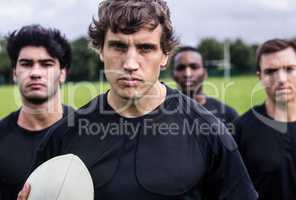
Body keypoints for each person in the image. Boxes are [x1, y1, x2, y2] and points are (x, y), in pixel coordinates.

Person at [18, 0, 257, 199]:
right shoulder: (63, 138)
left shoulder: (208, 132)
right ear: (101, 50)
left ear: (165, 55)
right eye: (118, 47)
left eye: (145, 48)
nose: (130, 64)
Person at [0, 24, 73, 200]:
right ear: (15, 73)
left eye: (46, 64)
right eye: (26, 64)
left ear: (62, 73)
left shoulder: (87, 133)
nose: (35, 73)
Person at [234, 39, 296, 200]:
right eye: (271, 71)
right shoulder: (242, 129)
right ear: (260, 76)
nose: (282, 79)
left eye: (289, 69)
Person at [171, 46, 238, 132]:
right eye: (181, 68)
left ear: (205, 73)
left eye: (194, 67)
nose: (187, 74)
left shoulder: (228, 115)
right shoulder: (161, 114)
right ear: (173, 74)